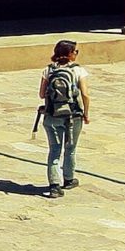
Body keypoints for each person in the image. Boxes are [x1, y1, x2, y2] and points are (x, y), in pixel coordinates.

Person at [36, 39, 89, 197]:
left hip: (52, 115)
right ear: (70, 54)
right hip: (73, 115)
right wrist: (86, 113)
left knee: (54, 150)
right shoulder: (78, 71)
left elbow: (41, 94)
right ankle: (69, 179)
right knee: (70, 149)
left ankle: (54, 185)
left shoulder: (48, 70)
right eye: (75, 51)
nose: (76, 54)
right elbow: (85, 95)